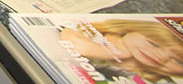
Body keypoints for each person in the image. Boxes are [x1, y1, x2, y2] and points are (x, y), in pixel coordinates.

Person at [55, 18, 183, 82]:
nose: (161, 57)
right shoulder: (96, 34)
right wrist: (106, 51)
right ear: (129, 30)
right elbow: (73, 39)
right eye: (153, 44)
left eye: (179, 61)